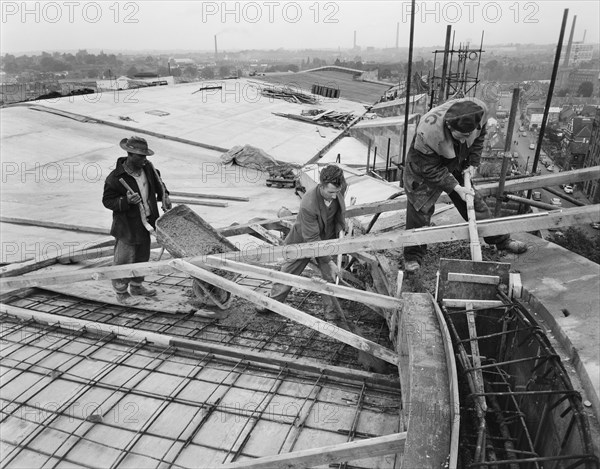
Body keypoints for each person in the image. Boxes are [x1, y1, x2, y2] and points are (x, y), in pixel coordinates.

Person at [403, 98, 527, 273]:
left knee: (473, 201)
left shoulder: (479, 113)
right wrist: (455, 187)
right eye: (460, 136)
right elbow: (429, 169)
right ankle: (413, 256)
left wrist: (473, 162)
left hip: (456, 158)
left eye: (467, 135)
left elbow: (479, 138)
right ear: (449, 126)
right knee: (419, 207)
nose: (463, 140)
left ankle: (500, 240)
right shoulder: (428, 132)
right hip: (425, 164)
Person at [257, 165, 346, 316]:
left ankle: (331, 312)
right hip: (303, 240)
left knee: (329, 276)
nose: (334, 196)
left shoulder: (339, 188)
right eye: (330, 192)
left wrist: (340, 229)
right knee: (288, 273)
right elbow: (311, 239)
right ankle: (273, 303)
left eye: (337, 192)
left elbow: (338, 209)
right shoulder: (308, 203)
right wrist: (329, 261)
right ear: (321, 186)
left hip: (326, 238)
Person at [103, 136, 171, 305]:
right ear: (130, 155)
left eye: (145, 156)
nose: (144, 159)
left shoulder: (147, 168)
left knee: (142, 255)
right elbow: (107, 201)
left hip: (146, 221)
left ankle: (136, 285)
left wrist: (165, 195)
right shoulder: (115, 178)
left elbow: (159, 182)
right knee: (124, 259)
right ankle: (121, 292)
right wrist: (126, 202)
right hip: (127, 225)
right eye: (141, 156)